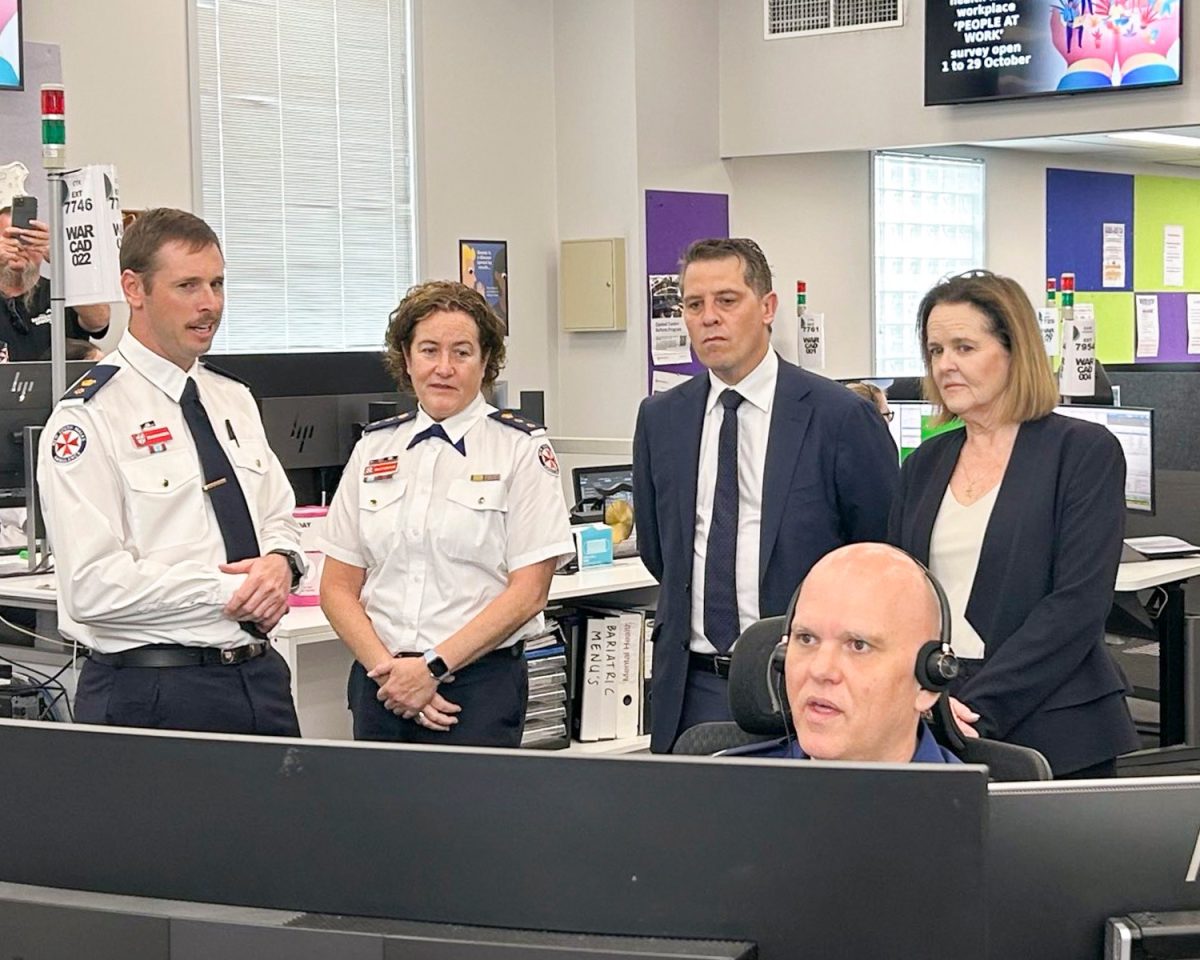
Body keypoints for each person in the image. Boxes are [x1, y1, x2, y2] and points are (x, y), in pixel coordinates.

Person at [37, 208, 304, 736]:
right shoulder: (88, 418)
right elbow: (90, 587)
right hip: (153, 693)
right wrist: (227, 590)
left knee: (283, 823)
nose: (210, 304)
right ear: (134, 289)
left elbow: (281, 517)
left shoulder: (234, 398)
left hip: (259, 679)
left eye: (217, 283)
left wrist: (281, 564)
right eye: (188, 285)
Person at [633, 237, 900, 753]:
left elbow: (884, 557)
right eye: (694, 304)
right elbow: (658, 551)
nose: (709, 318)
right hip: (693, 686)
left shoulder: (838, 416)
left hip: (808, 682)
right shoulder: (661, 418)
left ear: (768, 307)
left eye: (727, 301)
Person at [888, 269, 1138, 778]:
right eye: (935, 351)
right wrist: (929, 697)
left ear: (1014, 351)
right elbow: (899, 590)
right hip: (938, 711)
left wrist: (976, 705)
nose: (945, 366)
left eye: (964, 347)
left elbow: (1077, 606)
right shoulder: (926, 463)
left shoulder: (1081, 453)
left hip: (1051, 722)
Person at [318, 280, 574, 747]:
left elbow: (530, 593)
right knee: (375, 821)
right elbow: (336, 586)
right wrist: (392, 675)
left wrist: (432, 668)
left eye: (461, 352)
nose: (443, 368)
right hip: (382, 685)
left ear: (486, 362)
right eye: (429, 350)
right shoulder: (374, 447)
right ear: (407, 357)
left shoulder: (520, 448)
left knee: (470, 821)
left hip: (474, 689)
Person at [723, 543, 961, 763]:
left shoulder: (981, 807)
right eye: (806, 639)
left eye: (858, 645)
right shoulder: (718, 794)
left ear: (927, 685)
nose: (820, 670)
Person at [0, 207, 111, 359]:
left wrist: (63, 262)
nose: (19, 248)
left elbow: (99, 321)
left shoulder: (61, 291)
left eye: (28, 239)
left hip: (61, 382)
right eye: (11, 239)